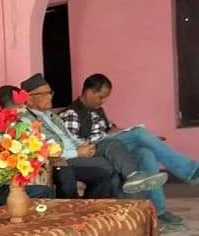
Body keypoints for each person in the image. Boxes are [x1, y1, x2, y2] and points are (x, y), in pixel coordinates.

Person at [60, 73, 199, 225]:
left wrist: (138, 136)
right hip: (97, 149)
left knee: (146, 152)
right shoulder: (72, 113)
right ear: (89, 92)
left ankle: (159, 211)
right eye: (101, 97)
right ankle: (190, 170)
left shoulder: (97, 109)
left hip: (112, 144)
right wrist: (134, 136)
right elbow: (74, 144)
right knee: (139, 133)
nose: (104, 101)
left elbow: (110, 129)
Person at [18, 75, 168, 203]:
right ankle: (118, 205)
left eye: (50, 92)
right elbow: (44, 150)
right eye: (44, 94)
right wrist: (77, 152)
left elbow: (70, 137)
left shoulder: (52, 116)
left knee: (115, 144)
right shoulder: (26, 121)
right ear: (29, 98)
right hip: (63, 159)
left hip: (78, 150)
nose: (50, 96)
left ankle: (133, 178)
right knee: (108, 164)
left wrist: (84, 145)